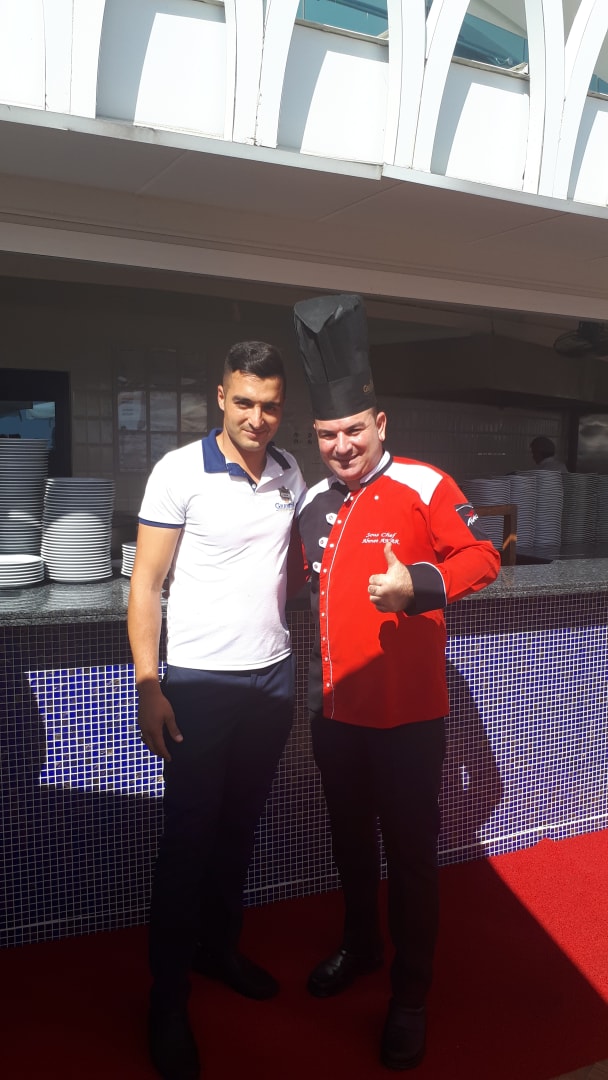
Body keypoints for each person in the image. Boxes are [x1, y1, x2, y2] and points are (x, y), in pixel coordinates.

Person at [293, 294, 501, 1072]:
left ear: (380, 424)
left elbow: (482, 556)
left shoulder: (423, 483)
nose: (341, 445)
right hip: (335, 714)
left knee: (411, 858)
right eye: (327, 434)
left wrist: (417, 585)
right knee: (349, 843)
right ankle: (361, 947)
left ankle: (410, 996)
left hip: (410, 720)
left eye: (353, 429)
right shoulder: (311, 501)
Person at [128, 340, 307, 1080]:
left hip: (272, 679)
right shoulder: (178, 471)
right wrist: (149, 684)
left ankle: (219, 951)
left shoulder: (290, 472)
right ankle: (167, 1003)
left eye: (270, 406)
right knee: (187, 842)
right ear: (221, 397)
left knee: (239, 830)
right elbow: (145, 585)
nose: (257, 417)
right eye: (244, 402)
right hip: (199, 685)